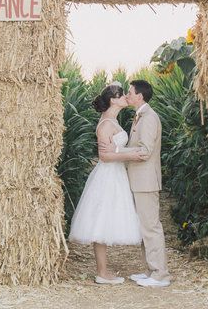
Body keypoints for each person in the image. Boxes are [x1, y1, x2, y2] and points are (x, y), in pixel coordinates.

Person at [68, 82, 149, 284]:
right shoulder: (105, 124)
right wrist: (132, 155)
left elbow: (115, 150)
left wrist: (127, 153)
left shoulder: (112, 121)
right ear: (113, 100)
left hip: (116, 174)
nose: (125, 98)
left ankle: (103, 271)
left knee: (106, 220)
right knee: (101, 221)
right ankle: (102, 273)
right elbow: (104, 156)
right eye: (122, 95)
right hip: (107, 176)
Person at [117, 79, 171, 287]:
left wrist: (119, 152)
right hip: (138, 180)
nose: (127, 95)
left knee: (151, 227)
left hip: (146, 181)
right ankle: (150, 270)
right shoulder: (140, 116)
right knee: (143, 227)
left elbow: (146, 151)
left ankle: (161, 275)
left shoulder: (149, 117)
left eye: (130, 92)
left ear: (139, 96)